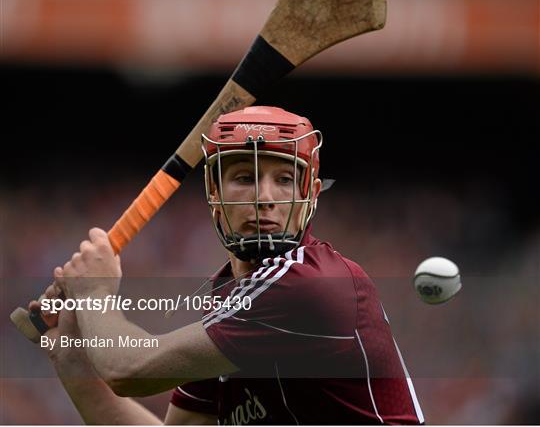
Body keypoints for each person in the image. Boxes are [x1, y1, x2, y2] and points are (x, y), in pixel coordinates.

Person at [31, 106, 424, 424]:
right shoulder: (227, 302)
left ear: (311, 195)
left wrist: (95, 293)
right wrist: (73, 361)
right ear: (214, 194)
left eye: (285, 179)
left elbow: (129, 370)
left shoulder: (314, 284)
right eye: (244, 177)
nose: (264, 198)